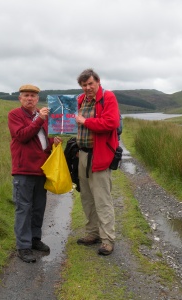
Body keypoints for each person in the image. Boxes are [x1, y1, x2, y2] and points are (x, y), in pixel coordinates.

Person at [8, 84, 62, 263]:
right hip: (24, 170)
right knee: (24, 208)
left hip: (41, 169)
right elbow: (22, 135)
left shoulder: (43, 116)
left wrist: (55, 140)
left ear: (38, 99)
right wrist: (39, 118)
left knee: (38, 208)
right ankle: (23, 247)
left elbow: (44, 139)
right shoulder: (15, 115)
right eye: (26, 95)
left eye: (33, 96)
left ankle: (34, 239)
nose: (30, 98)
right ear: (20, 98)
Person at [74, 69, 120, 256]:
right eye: (84, 85)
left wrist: (86, 121)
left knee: (102, 199)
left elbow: (111, 123)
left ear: (98, 82)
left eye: (90, 84)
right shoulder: (80, 100)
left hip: (100, 155)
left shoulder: (108, 98)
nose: (88, 88)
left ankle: (107, 240)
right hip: (82, 155)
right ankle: (92, 233)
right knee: (86, 197)